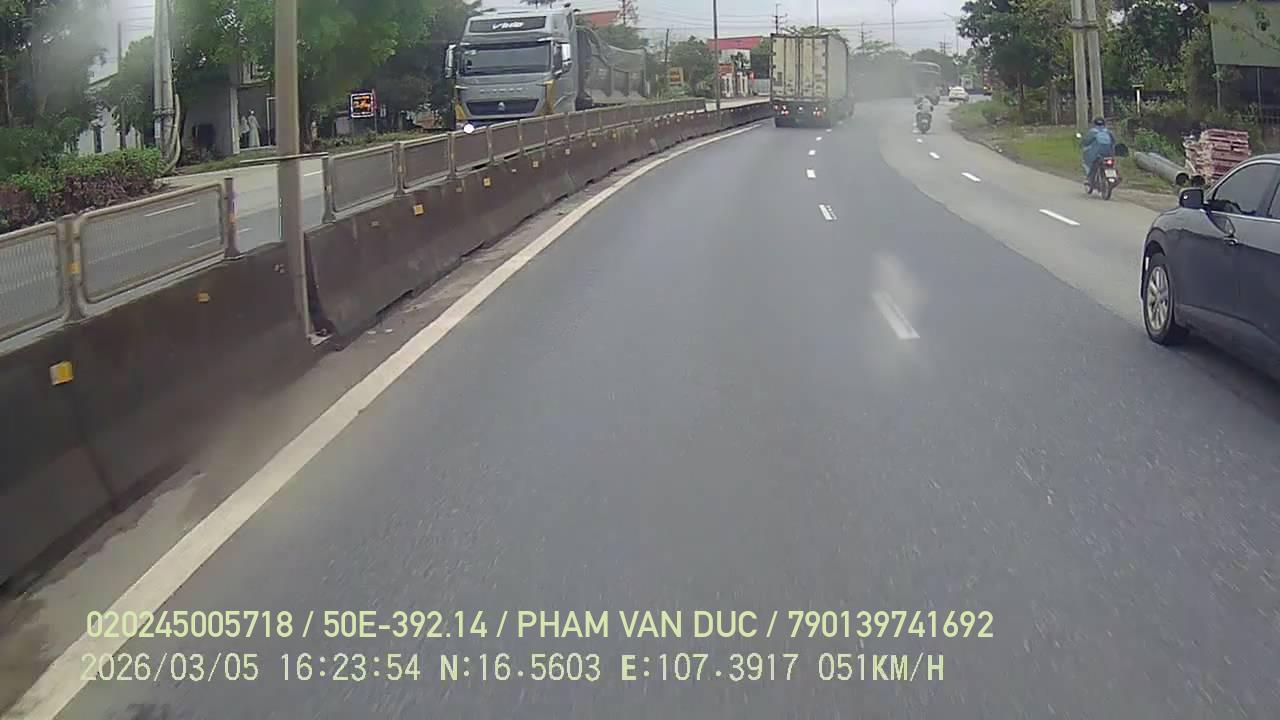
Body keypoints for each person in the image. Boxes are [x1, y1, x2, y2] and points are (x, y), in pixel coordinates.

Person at [1081, 117, 1115, 188]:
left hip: (1096, 154)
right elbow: (1113, 141)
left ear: (1094, 123)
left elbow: (1086, 142)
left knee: (1089, 164)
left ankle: (1089, 179)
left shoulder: (1093, 132)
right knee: (1110, 164)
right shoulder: (1108, 131)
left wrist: (1083, 144)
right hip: (1108, 154)